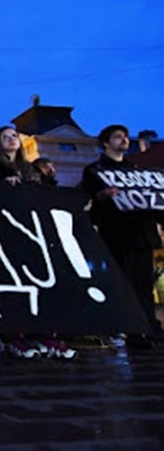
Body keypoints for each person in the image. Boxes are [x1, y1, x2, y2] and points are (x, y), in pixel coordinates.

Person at [0, 126, 74, 359]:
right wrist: (2, 186)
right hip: (4, 232)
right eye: (5, 137)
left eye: (14, 136)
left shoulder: (30, 169)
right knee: (14, 283)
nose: (11, 140)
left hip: (35, 231)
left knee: (41, 282)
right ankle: (14, 336)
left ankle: (45, 333)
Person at [81, 124, 164, 348]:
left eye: (126, 136)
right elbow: (87, 201)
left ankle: (149, 328)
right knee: (125, 285)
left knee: (145, 286)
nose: (125, 140)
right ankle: (132, 330)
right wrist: (102, 196)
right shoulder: (94, 171)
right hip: (118, 235)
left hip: (142, 234)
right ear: (106, 143)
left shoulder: (138, 170)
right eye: (118, 137)